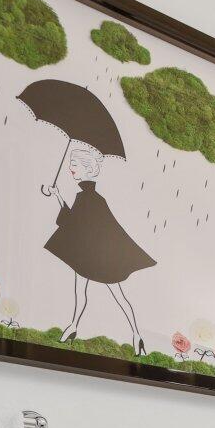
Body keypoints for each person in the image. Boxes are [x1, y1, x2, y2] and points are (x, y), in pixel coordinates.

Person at [43, 143, 156, 352]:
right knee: (84, 290)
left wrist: (58, 196)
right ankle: (74, 326)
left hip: (97, 258)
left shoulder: (87, 197)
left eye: (75, 164)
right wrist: (58, 195)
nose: (71, 168)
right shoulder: (90, 197)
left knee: (113, 295)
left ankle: (136, 334)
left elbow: (71, 222)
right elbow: (75, 222)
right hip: (92, 255)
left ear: (87, 169)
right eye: (71, 164)